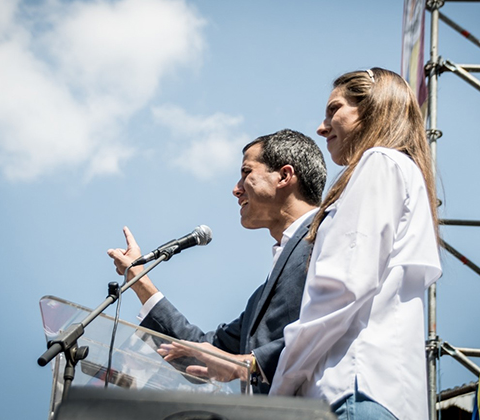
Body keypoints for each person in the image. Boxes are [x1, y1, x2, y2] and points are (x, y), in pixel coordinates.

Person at [269, 69, 442, 419]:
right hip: (382, 393)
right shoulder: (401, 170)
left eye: (334, 109)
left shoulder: (378, 162)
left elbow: (342, 287)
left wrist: (282, 384)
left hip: (351, 389)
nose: (322, 127)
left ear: (371, 108)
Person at [107, 129, 327, 394]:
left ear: (284, 176)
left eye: (246, 173)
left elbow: (340, 317)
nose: (236, 189)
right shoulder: (261, 299)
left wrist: (253, 363)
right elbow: (201, 353)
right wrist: (140, 281)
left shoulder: (331, 233)